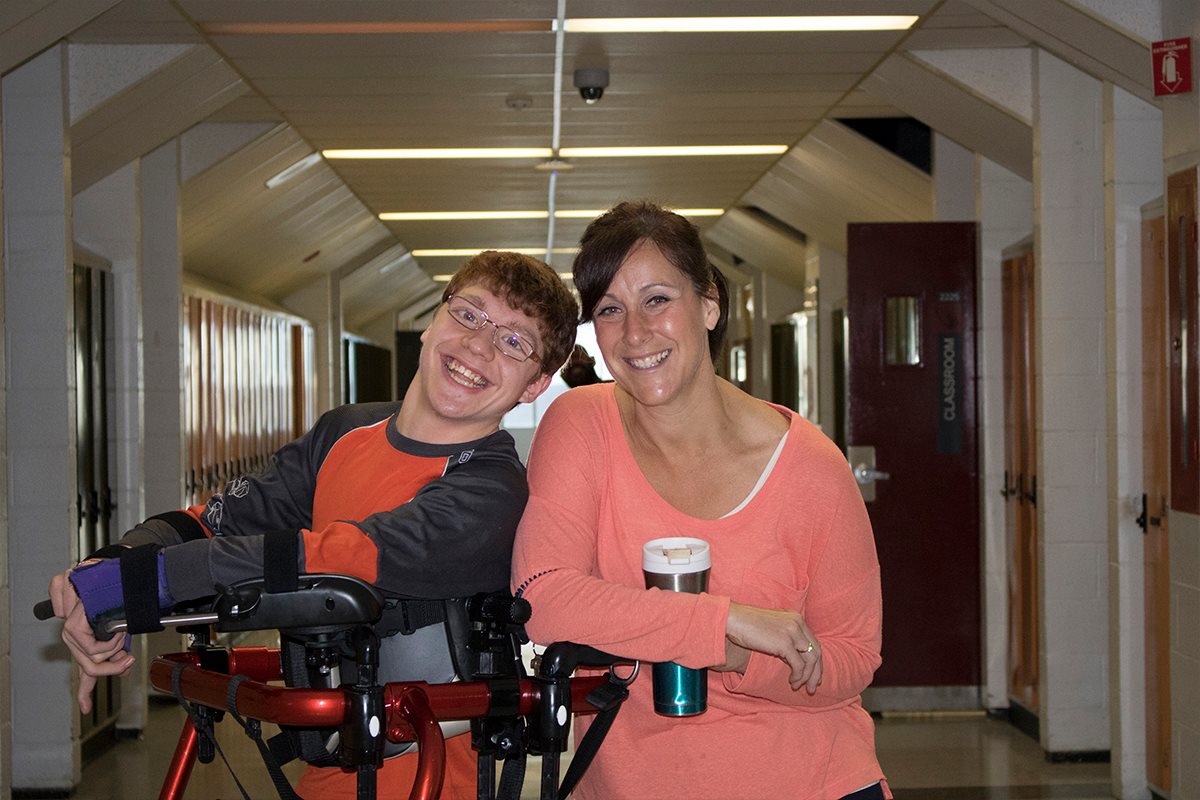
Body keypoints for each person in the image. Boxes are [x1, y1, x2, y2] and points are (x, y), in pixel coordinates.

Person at [47, 250, 579, 800]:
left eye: (515, 342)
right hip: (325, 776)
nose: (478, 345)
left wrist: (131, 588)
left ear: (536, 384)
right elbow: (221, 521)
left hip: (428, 782)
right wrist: (113, 562)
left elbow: (332, 558)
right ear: (433, 322)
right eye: (469, 314)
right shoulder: (345, 431)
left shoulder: (492, 489)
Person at [511, 201, 889, 800]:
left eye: (657, 299)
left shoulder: (812, 469)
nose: (635, 333)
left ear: (709, 304)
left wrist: (737, 659)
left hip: (811, 780)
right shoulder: (581, 426)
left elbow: (850, 660)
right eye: (610, 310)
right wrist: (725, 622)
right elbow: (543, 600)